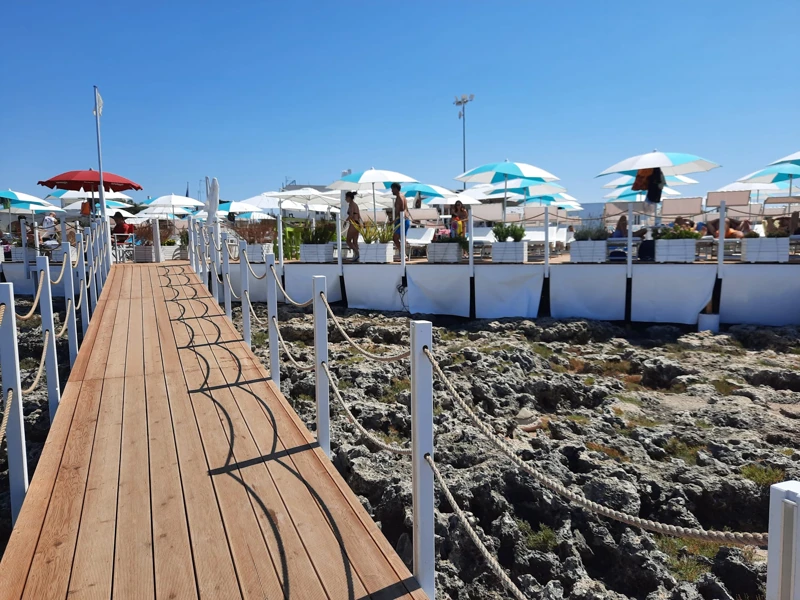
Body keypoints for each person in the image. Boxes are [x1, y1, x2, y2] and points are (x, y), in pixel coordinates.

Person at [391, 183, 410, 254]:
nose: (391, 191)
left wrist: (396, 219)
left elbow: (401, 209)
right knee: (402, 238)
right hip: (403, 219)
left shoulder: (400, 197)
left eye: (392, 189)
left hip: (402, 219)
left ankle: (403, 254)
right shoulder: (402, 196)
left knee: (395, 238)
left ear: (396, 188)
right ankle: (403, 254)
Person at [344, 191, 362, 262]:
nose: (345, 199)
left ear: (349, 198)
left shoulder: (351, 205)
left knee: (348, 241)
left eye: (346, 198)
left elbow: (351, 215)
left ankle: (357, 253)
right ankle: (356, 257)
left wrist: (345, 221)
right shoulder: (355, 205)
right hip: (358, 224)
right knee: (355, 242)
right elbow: (359, 215)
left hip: (354, 224)